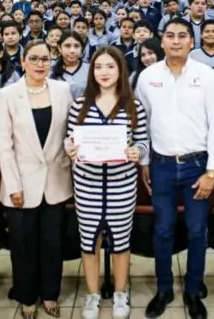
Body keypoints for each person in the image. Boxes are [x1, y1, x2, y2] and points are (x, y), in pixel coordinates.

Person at [135, 18, 214, 319]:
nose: (176, 41)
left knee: (197, 231)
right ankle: (164, 289)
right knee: (162, 230)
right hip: (161, 165)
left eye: (182, 36)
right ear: (161, 41)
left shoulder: (207, 76)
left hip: (197, 166)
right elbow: (142, 124)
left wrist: (211, 172)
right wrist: (145, 162)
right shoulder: (147, 77)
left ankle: (193, 289)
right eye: (170, 36)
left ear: (192, 41)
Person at [65, 47, 149, 319]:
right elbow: (69, 139)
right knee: (90, 241)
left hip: (121, 186)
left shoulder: (133, 105)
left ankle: (120, 292)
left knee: (121, 241)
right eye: (98, 67)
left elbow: (143, 142)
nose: (104, 72)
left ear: (120, 70)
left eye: (110, 66)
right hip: (87, 185)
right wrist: (70, 148)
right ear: (92, 72)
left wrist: (137, 152)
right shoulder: (80, 104)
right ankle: (92, 294)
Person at [0, 40, 73, 319]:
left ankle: (50, 294)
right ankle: (26, 296)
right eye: (35, 59)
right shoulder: (7, 95)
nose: (41, 64)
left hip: (56, 180)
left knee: (52, 243)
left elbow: (70, 131)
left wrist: (74, 146)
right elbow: (4, 146)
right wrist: (13, 186)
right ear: (23, 61)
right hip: (21, 183)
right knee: (23, 245)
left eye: (46, 59)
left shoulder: (62, 90)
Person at [50, 31, 89, 99]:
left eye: (76, 46)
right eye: (67, 46)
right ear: (59, 48)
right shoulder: (50, 70)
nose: (72, 51)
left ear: (82, 48)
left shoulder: (90, 69)